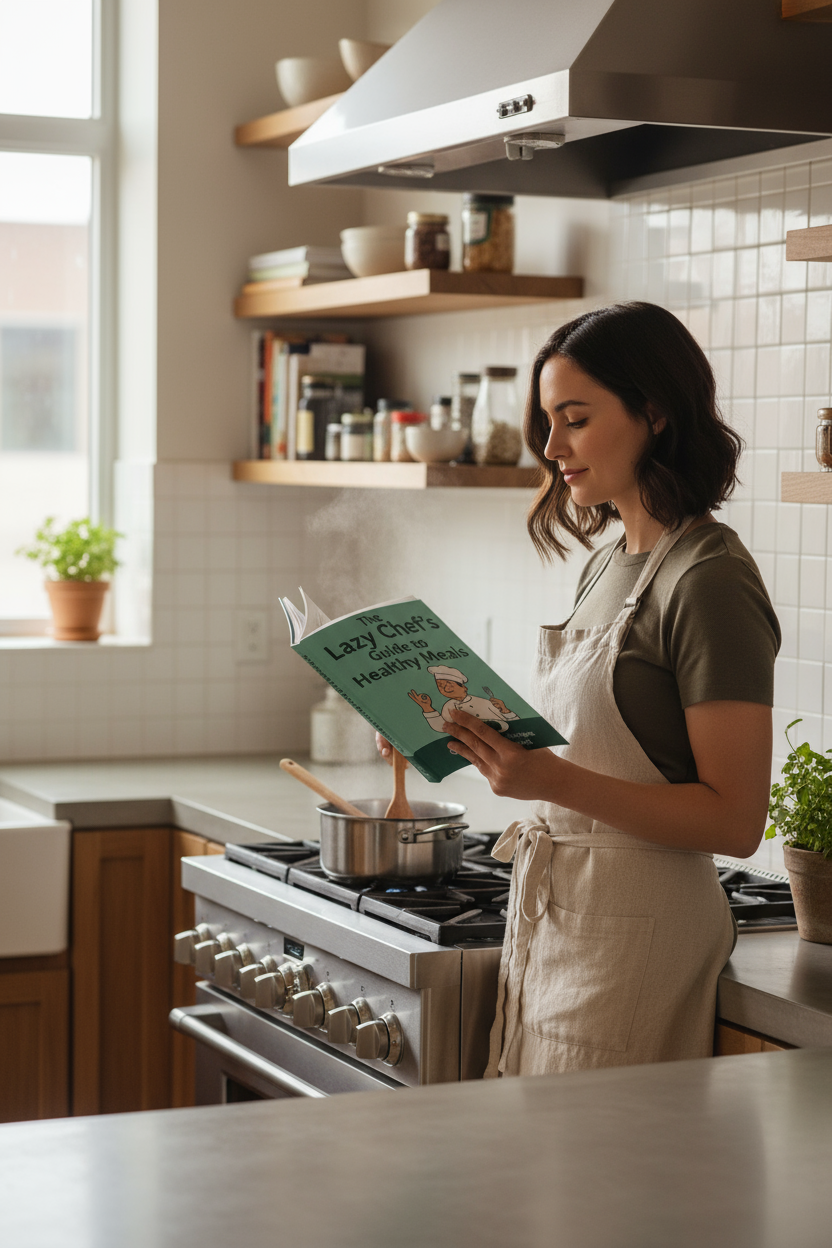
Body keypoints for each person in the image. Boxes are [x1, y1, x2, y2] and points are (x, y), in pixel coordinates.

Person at [378, 302, 780, 1076]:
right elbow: (574, 758)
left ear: (654, 413)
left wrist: (548, 779)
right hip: (564, 926)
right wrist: (434, 722)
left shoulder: (710, 580)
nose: (553, 446)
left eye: (576, 418)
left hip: (642, 938)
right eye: (548, 421)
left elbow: (736, 820)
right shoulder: (606, 563)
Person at [408, 664, 519, 734]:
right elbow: (443, 727)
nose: (446, 688)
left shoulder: (484, 703)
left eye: (450, 684)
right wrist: (427, 707)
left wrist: (505, 711)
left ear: (464, 687)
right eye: (441, 686)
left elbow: (516, 724)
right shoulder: (448, 706)